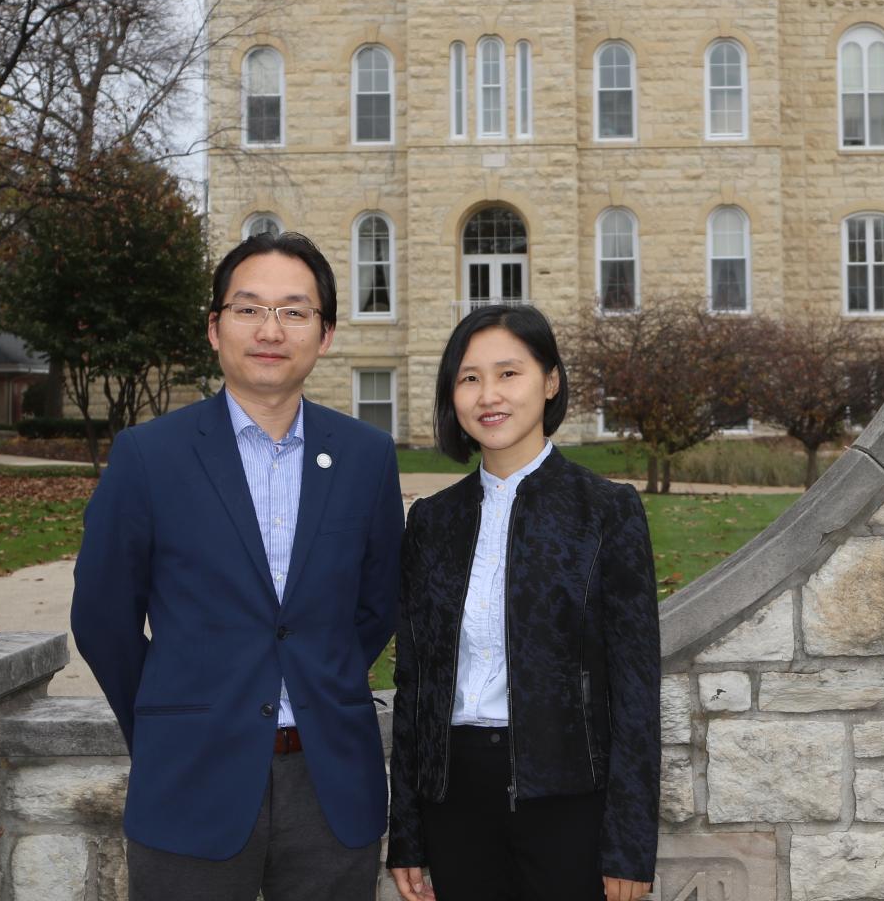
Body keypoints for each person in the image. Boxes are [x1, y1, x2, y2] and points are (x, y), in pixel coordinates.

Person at [72, 230, 403, 901]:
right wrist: (174, 718)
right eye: (249, 308)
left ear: (326, 333)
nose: (270, 329)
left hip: (331, 785)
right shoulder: (148, 456)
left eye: (294, 310)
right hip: (190, 778)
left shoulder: (367, 457)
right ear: (215, 328)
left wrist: (319, 675)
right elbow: (103, 617)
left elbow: (378, 603)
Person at [387, 304, 660, 901]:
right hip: (455, 800)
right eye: (469, 377)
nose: (489, 395)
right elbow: (415, 685)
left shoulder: (605, 510)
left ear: (550, 380)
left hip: (566, 801)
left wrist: (630, 844)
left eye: (509, 373)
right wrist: (406, 831)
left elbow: (636, 691)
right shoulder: (431, 521)